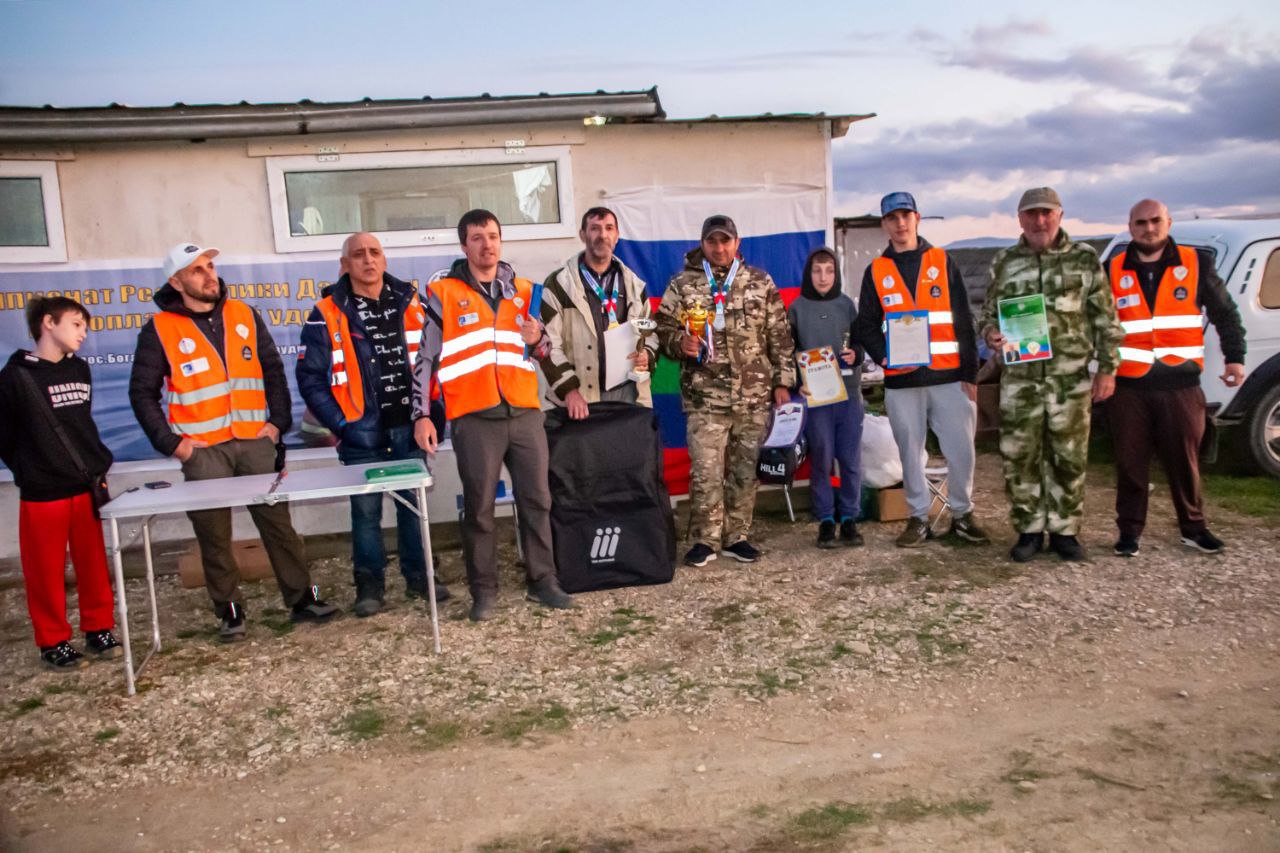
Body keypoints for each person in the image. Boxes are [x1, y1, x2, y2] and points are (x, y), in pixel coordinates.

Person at [129, 242, 338, 640]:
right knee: (213, 535)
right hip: (202, 450)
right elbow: (141, 393)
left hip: (255, 441)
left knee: (280, 527)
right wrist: (174, 445)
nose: (209, 276)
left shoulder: (244, 314)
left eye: (210, 267)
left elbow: (273, 370)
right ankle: (229, 612)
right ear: (176, 281)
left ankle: (304, 599)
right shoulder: (159, 329)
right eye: (197, 271)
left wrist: (277, 423)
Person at [411, 210, 574, 621]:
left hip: (523, 413)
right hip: (474, 417)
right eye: (477, 238)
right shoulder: (443, 294)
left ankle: (543, 581)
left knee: (538, 500)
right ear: (463, 245)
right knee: (480, 508)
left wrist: (538, 340)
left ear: (501, 241)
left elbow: (543, 353)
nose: (487, 245)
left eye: (493, 236)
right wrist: (422, 415)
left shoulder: (524, 292)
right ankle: (483, 591)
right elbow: (424, 358)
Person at [297, 232, 452, 616]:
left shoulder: (412, 302)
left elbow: (435, 361)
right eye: (358, 255)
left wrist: (431, 415)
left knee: (413, 506)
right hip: (360, 432)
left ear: (384, 260)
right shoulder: (326, 312)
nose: (368, 260)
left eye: (374, 253)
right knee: (365, 513)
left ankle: (421, 577)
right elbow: (310, 379)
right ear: (344, 265)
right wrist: (340, 423)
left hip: (410, 426)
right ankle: (369, 587)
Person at [980, 188, 1126, 562]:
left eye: (1046, 213)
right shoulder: (1005, 261)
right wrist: (991, 334)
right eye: (1031, 214)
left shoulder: (1083, 259)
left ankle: (1065, 530)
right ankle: (1028, 529)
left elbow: (1105, 318)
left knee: (1069, 455)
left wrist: (1107, 368)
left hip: (1069, 378)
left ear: (1060, 215)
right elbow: (986, 314)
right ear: (1020, 219)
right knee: (1020, 455)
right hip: (1021, 379)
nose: (1039, 221)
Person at [1106, 199, 1247, 557]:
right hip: (1129, 385)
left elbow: (1225, 313)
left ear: (1168, 222)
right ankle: (1129, 532)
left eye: (1155, 221)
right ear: (1130, 225)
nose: (1148, 229)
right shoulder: (1112, 267)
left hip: (1180, 384)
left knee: (1184, 460)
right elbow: (1095, 323)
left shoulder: (1195, 263)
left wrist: (1235, 359)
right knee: (1130, 462)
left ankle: (1194, 528)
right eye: (1140, 223)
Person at [655, 214, 796, 567]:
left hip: (753, 397)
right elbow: (661, 331)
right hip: (705, 397)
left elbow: (780, 336)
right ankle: (705, 539)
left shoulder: (760, 282)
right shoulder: (683, 284)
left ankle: (737, 536)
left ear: (737, 243)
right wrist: (679, 343)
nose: (720, 248)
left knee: (744, 471)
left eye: (726, 241)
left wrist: (783, 382)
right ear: (702, 244)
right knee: (705, 471)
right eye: (713, 241)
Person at [851, 192, 988, 548]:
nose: (900, 223)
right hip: (902, 381)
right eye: (892, 218)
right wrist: (884, 358)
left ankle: (962, 515)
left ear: (917, 218)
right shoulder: (877, 271)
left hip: (949, 378)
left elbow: (964, 321)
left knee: (961, 450)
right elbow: (865, 325)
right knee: (909, 453)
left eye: (905, 215)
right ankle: (917, 518)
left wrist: (970, 375)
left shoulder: (942, 261)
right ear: (884, 224)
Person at [0, 297, 121, 669]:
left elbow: (80, 426)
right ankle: (52, 640)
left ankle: (99, 627)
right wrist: (30, 470)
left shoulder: (80, 369)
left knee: (93, 564)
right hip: (43, 492)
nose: (83, 333)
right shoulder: (16, 376)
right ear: (48, 323)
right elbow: (4, 436)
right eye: (76, 324)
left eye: (85, 326)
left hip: (86, 485)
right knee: (45, 570)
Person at [538, 206, 656, 415]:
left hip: (627, 395)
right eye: (595, 228)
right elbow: (548, 344)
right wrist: (569, 391)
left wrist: (646, 354)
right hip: (579, 398)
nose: (603, 235)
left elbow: (650, 334)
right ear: (582, 235)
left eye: (609, 228)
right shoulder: (559, 284)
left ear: (617, 236)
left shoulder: (635, 285)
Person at [788, 247, 865, 548]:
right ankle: (825, 520)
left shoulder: (848, 306)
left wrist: (856, 353)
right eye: (817, 270)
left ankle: (849, 518)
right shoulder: (796, 308)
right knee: (821, 458)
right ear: (808, 273)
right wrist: (797, 383)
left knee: (850, 459)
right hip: (817, 398)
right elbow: (788, 352)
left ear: (837, 274)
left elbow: (861, 342)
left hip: (849, 395)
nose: (823, 277)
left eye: (829, 270)